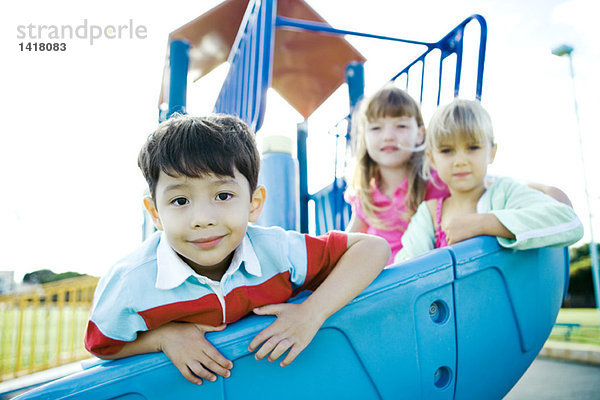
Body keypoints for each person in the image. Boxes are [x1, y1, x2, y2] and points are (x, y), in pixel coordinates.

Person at [84, 114, 390, 385]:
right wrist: (164, 338)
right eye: (180, 201)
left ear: (253, 204)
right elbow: (101, 344)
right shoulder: (131, 283)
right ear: (155, 213)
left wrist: (311, 313)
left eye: (223, 195)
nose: (202, 219)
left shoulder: (277, 251)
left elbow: (373, 248)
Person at [394, 99, 583, 261]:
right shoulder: (428, 213)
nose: (460, 161)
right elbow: (406, 268)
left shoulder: (505, 194)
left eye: (473, 147)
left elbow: (569, 223)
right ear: (432, 159)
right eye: (446, 150)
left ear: (491, 152)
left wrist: (484, 224)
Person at [345, 85, 449, 263]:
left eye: (401, 126)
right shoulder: (365, 193)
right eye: (376, 128)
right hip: (376, 282)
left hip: (420, 277)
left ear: (419, 134)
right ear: (365, 136)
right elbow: (347, 242)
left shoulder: (435, 182)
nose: (388, 136)